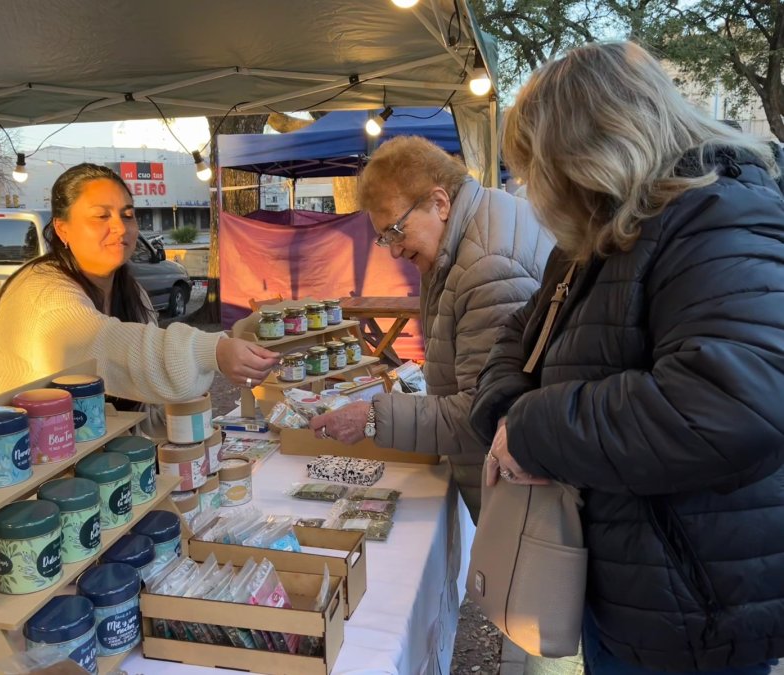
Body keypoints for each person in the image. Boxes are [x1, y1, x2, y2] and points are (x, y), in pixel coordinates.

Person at [470, 41, 784, 673]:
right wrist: (506, 410)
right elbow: (521, 335)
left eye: (538, 166)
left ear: (586, 151)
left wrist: (533, 429)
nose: (531, 187)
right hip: (634, 581)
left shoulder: (718, 217)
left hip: (697, 610)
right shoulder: (601, 227)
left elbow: (729, 403)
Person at [307, 135, 554, 518]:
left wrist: (373, 417)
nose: (393, 250)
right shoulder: (468, 232)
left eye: (395, 231)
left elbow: (483, 412)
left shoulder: (488, 266)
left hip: (520, 500)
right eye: (383, 238)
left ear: (439, 203)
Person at [0, 163, 279, 424]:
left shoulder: (131, 291)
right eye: (101, 217)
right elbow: (108, 345)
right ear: (62, 228)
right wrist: (210, 351)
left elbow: (139, 404)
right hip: (22, 469)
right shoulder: (42, 291)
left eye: (127, 215)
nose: (120, 228)